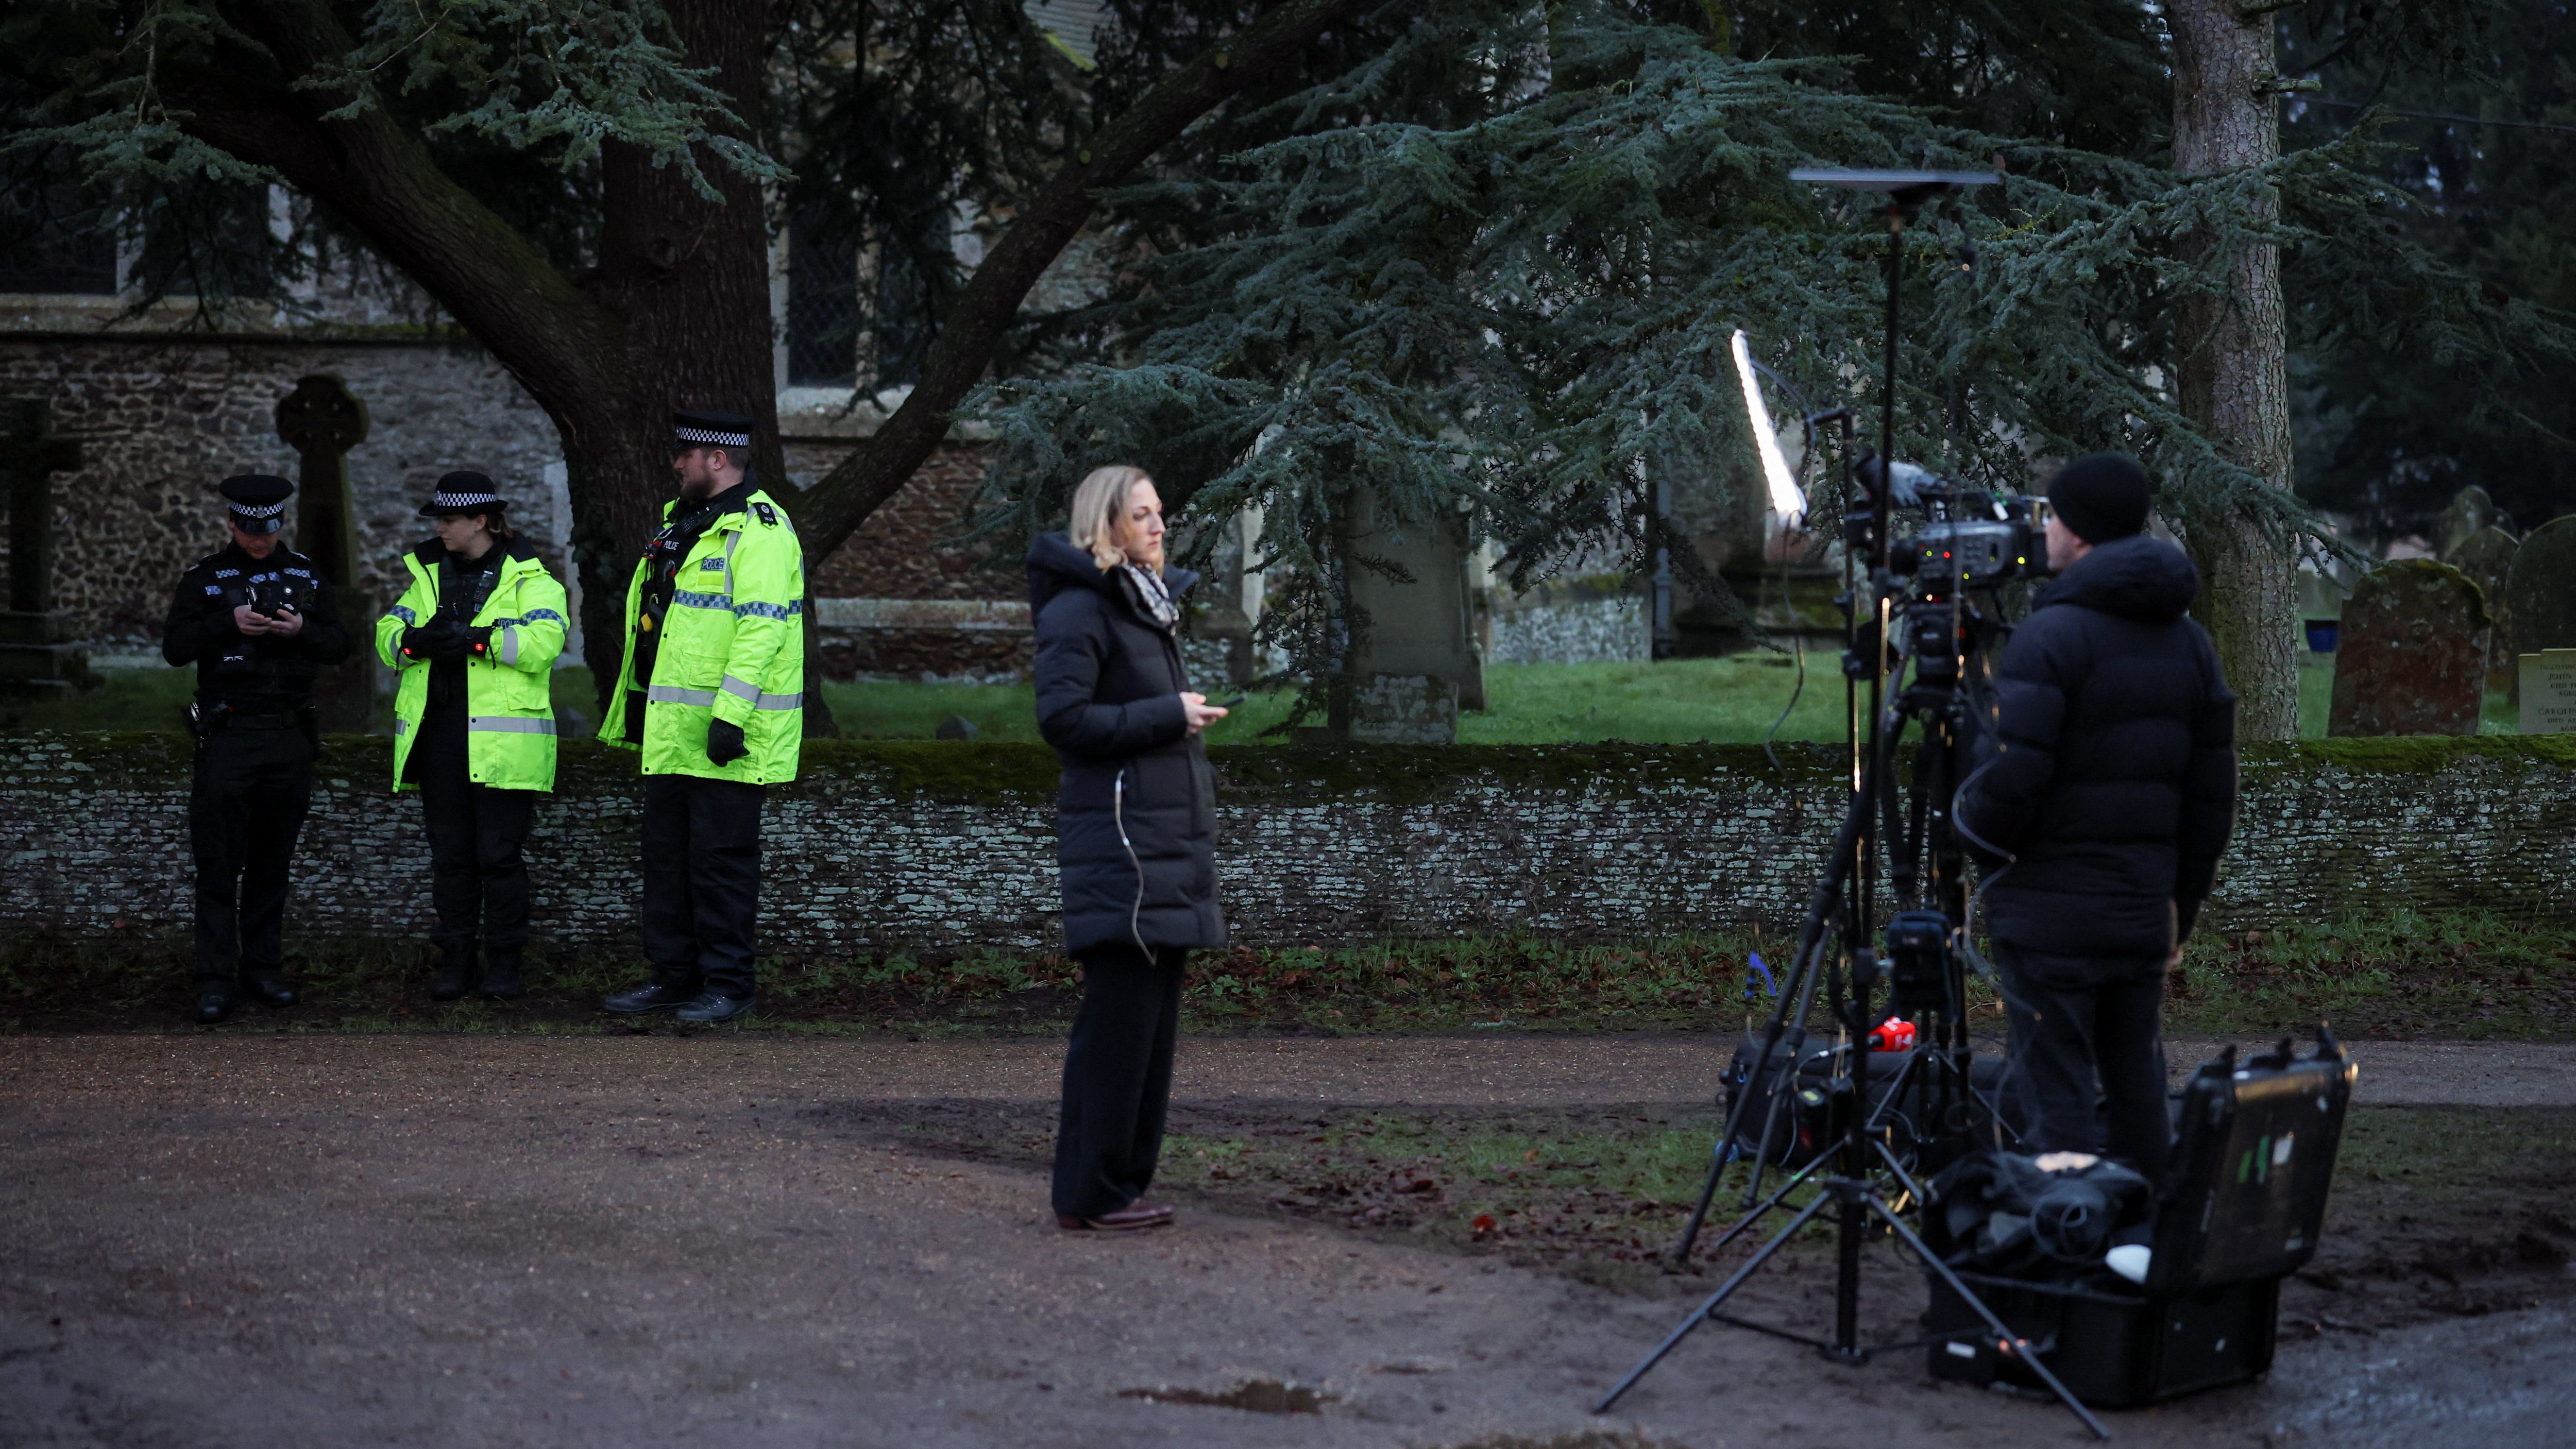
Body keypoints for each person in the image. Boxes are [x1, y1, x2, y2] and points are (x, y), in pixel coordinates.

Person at [1957, 453, 2239, 1191]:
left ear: (2076, 533)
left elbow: (2010, 779)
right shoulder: (2191, 644)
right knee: (2140, 1089)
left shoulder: (2052, 638)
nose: (2043, 528)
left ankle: (2073, 1251)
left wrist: (1979, 846)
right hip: (2142, 910)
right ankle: (2154, 1244)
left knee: (2059, 1099)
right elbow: (2210, 798)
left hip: (2051, 914)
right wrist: (2182, 905)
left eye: (2052, 515)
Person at [1029, 465, 1230, 1231]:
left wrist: (1169, 716)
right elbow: (1064, 721)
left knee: (1147, 1031)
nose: (1158, 527)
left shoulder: (1145, 607)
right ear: (1104, 523)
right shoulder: (1082, 609)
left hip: (1159, 844)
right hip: (1124, 849)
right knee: (1117, 1031)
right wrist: (1164, 714)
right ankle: (1095, 1189)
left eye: (1161, 513)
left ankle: (1116, 1185)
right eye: (1141, 514)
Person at [597, 411, 804, 1025]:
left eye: (684, 453)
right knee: (667, 862)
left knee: (720, 866)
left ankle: (728, 985)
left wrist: (731, 717)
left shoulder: (760, 530)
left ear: (717, 458)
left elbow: (762, 628)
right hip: (673, 730)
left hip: (727, 737)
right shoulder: (683, 523)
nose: (675, 463)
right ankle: (673, 978)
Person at [161, 473, 352, 1024]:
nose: (258, 539)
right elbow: (175, 648)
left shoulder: (305, 573)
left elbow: (340, 644)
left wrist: (300, 630)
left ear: (279, 522)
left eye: (267, 528)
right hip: (229, 734)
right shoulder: (205, 577)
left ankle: (263, 969)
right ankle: (215, 979)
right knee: (219, 863)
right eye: (248, 528)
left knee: (272, 863)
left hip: (288, 734)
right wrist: (229, 622)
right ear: (231, 522)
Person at [377, 474, 570, 1001]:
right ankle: (456, 960)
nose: (438, 527)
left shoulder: (533, 581)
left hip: (504, 745)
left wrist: (476, 639)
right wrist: (415, 641)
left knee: (499, 857)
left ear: (481, 521)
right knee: (451, 858)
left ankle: (505, 963)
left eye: (448, 518)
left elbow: (543, 644)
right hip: (439, 737)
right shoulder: (427, 577)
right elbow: (387, 635)